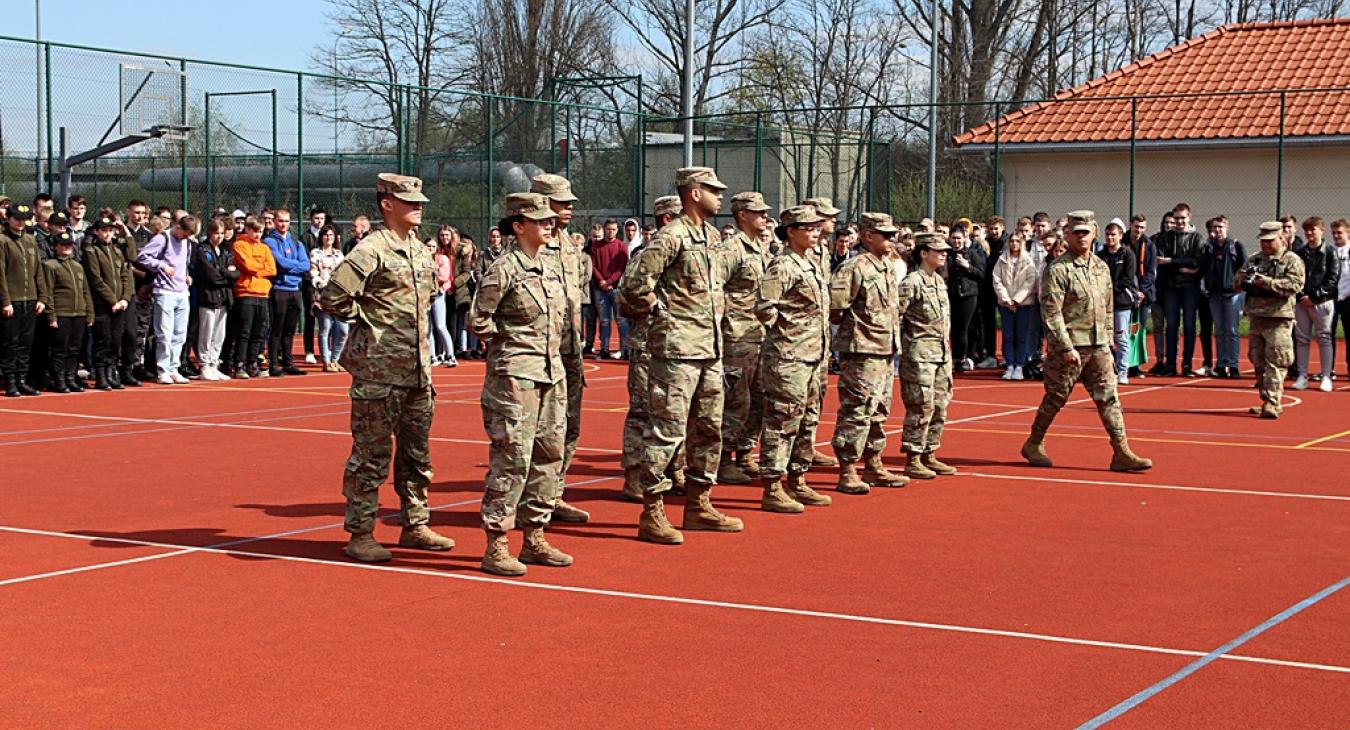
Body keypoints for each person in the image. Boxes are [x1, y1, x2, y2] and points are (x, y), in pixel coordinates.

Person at [319, 173, 454, 563]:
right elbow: (333, 297)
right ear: (387, 204)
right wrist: (369, 319)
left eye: (420, 202)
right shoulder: (371, 249)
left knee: (417, 456)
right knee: (371, 455)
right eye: (410, 202)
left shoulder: (420, 252)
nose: (419, 208)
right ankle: (361, 533)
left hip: (416, 371)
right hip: (378, 371)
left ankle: (416, 524)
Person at [621, 166, 743, 544]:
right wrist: (663, 314)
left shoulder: (709, 237)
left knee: (708, 429)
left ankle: (698, 504)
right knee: (666, 432)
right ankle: (652, 511)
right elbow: (634, 285)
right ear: (693, 192)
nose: (720, 195)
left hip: (709, 350)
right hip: (676, 352)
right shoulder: (670, 236)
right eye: (712, 189)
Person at [470, 193, 573, 576]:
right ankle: (496, 544)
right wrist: (511, 345)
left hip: (551, 374)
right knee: (513, 457)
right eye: (541, 220)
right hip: (516, 378)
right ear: (518, 226)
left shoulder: (548, 266)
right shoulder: (504, 269)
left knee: (549, 455)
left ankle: (535, 537)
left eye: (551, 220)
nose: (550, 225)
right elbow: (479, 320)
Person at [1021, 211, 1151, 472]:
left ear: (1094, 232)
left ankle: (1121, 451)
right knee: (1056, 397)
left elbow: (1108, 306)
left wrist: (1110, 339)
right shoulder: (1058, 269)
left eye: (1086, 232)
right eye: (1076, 232)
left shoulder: (1101, 268)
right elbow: (1051, 312)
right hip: (1070, 347)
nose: (1081, 237)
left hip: (1099, 345)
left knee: (1109, 398)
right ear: (1067, 235)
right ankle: (1034, 443)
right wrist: (1065, 346)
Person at [754, 205, 834, 512]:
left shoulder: (809, 263)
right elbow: (764, 307)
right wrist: (787, 332)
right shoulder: (783, 265)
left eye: (817, 227)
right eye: (808, 227)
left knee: (808, 419)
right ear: (791, 231)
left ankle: (798, 479)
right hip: (789, 358)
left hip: (813, 356)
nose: (815, 231)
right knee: (782, 420)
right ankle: (773, 485)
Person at [829, 212, 909, 494]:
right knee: (857, 410)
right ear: (867, 236)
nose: (891, 239)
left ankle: (873, 463)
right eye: (885, 235)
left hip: (885, 350)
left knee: (879, 410)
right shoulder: (853, 268)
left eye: (892, 234)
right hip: (861, 351)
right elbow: (835, 310)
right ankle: (848, 468)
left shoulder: (887, 267)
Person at [530, 173, 591, 523]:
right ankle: (532, 499)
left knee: (570, 425)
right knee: (538, 432)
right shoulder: (531, 243)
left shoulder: (569, 244)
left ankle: (554, 493)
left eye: (569, 203)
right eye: (560, 201)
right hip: (541, 353)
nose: (568, 208)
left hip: (570, 349)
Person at [618, 195, 683, 502]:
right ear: (667, 220)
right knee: (643, 410)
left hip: (677, 345)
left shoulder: (685, 251)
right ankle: (633, 474)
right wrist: (656, 308)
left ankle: (674, 470)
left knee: (676, 412)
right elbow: (625, 296)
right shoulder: (649, 254)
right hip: (648, 344)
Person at [716, 191, 775, 486]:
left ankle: (744, 451)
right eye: (758, 212)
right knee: (735, 400)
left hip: (759, 335)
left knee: (759, 400)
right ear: (742, 215)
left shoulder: (761, 249)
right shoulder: (731, 249)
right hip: (736, 337)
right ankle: (723, 459)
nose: (765, 217)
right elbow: (714, 287)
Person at [896, 232, 955, 479]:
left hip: (940, 353)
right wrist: (901, 348)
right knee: (921, 405)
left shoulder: (938, 281)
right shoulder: (912, 283)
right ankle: (913, 456)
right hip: (919, 354)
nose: (943, 254)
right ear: (923, 253)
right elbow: (896, 316)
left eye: (945, 251)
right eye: (938, 250)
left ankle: (930, 451)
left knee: (941, 405)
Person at [1237, 222, 1305, 418]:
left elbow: (1295, 285)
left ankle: (1273, 403)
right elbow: (1237, 284)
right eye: (1263, 241)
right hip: (1257, 316)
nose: (1265, 245)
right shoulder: (1254, 259)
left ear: (1280, 238)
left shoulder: (1291, 260)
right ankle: (1266, 398)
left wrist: (1266, 282)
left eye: (1270, 241)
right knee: (1258, 361)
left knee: (1276, 360)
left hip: (1278, 317)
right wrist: (1242, 278)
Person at [799, 197, 842, 467]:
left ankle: (807, 445)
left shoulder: (823, 249)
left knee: (816, 396)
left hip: (818, 334)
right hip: (798, 338)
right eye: (828, 215)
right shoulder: (797, 252)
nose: (833, 220)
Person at [137, 215, 199, 385]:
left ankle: (174, 368)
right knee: (164, 333)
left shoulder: (186, 242)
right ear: (177, 227)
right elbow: (143, 257)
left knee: (179, 334)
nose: (185, 238)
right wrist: (162, 266)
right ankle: (163, 369)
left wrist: (187, 276)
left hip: (182, 291)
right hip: (164, 291)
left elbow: (183, 263)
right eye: (184, 234)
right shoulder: (162, 238)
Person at [82, 216, 134, 391]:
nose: (107, 233)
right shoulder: (92, 251)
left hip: (119, 304)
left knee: (116, 340)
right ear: (97, 232)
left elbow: (126, 275)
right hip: (103, 304)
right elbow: (96, 280)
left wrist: (125, 298)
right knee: (102, 339)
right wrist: (112, 300)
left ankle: (112, 372)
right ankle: (101, 375)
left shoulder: (117, 251)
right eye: (104, 230)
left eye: (110, 230)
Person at [37, 232, 91, 393]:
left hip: (79, 313)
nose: (66, 248)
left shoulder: (77, 266)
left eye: (69, 245)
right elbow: (48, 291)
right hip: (62, 313)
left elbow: (85, 291)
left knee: (74, 348)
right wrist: (51, 315)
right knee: (60, 349)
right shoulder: (50, 265)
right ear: (56, 247)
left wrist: (89, 312)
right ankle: (59, 379)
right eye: (62, 245)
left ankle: (70, 377)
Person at [0, 203, 45, 397]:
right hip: (13, 299)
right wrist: (5, 301)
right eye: (17, 218)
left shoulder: (30, 240)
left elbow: (38, 270)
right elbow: (0, 273)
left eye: (24, 219)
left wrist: (42, 296)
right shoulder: (3, 241)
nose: (20, 222)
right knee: (11, 341)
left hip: (30, 297)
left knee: (26, 342)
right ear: (8, 219)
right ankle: (10, 380)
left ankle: (21, 379)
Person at [1291, 216, 1340, 392]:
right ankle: (1302, 375)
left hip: (1323, 302)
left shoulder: (1330, 252)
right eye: (1307, 231)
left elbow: (1332, 279)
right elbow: (1296, 277)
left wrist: (1316, 296)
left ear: (1321, 230)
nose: (1310, 233)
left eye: (1313, 229)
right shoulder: (1300, 253)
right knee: (1302, 339)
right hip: (1302, 303)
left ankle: (1326, 376)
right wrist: (1302, 296)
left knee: (1324, 338)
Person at [1157, 204, 1206, 376]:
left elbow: (1197, 262)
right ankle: (1170, 365)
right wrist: (1179, 263)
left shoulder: (1197, 238)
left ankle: (1187, 365)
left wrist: (1171, 261)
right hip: (1171, 287)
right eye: (1177, 218)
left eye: (1182, 218)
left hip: (1190, 288)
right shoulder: (1166, 237)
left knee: (1189, 325)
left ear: (1189, 217)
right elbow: (1160, 260)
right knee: (1171, 326)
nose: (1179, 222)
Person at [263, 209, 311, 377]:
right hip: (279, 289)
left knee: (290, 329)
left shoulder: (297, 242)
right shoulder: (269, 241)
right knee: (277, 328)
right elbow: (280, 263)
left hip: (294, 290)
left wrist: (292, 267)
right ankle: (274, 363)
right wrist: (294, 266)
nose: (284, 225)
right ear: (275, 222)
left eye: (287, 221)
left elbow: (306, 265)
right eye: (281, 221)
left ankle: (288, 363)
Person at [230, 216, 276, 379]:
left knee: (259, 332)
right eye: (255, 231)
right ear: (248, 230)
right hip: (246, 293)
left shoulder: (264, 248)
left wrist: (257, 270)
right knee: (244, 331)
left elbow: (272, 269)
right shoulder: (239, 245)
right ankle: (240, 363)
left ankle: (252, 363)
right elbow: (246, 265)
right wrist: (260, 269)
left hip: (263, 293)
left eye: (260, 232)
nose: (257, 235)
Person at [1201, 216, 1246, 379]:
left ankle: (1233, 365)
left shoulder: (1236, 246)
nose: (1218, 230)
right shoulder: (1209, 248)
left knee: (1232, 330)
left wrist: (1237, 284)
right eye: (1215, 227)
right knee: (1219, 330)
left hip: (1232, 294)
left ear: (1227, 227)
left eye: (1220, 227)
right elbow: (1203, 267)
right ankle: (1221, 364)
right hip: (1214, 294)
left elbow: (1244, 267)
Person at [1096, 218, 1140, 385]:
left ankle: (1122, 370)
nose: (1110, 238)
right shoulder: (1100, 255)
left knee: (1121, 338)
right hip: (1102, 304)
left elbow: (1127, 280)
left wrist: (1110, 290)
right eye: (1107, 235)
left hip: (1121, 303)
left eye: (1113, 235)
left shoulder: (1128, 255)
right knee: (1103, 339)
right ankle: (1106, 370)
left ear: (1120, 235)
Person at [193, 218, 238, 381]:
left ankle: (213, 363)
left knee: (219, 334)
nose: (219, 236)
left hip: (223, 298)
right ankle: (204, 364)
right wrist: (225, 273)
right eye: (216, 233)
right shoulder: (203, 250)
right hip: (208, 298)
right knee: (206, 333)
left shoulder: (225, 251)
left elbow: (235, 273)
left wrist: (224, 273)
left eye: (221, 233)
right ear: (209, 233)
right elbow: (211, 275)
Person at [992, 232, 1038, 380]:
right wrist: (1007, 300)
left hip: (1023, 305)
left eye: (1017, 241)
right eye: (1012, 241)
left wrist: (1017, 300)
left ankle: (1020, 365)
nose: (1014, 244)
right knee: (1008, 335)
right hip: (1006, 305)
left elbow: (1030, 281)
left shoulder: (1028, 261)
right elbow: (997, 280)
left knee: (1021, 335)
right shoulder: (1001, 260)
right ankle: (1010, 365)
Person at [946, 223, 986, 372]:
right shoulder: (946, 254)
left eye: (959, 238)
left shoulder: (972, 254)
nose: (956, 241)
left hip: (968, 295)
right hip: (951, 295)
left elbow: (981, 274)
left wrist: (967, 266)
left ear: (964, 238)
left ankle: (963, 357)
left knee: (963, 328)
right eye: (953, 238)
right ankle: (954, 357)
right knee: (953, 328)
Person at [309, 224, 348, 372]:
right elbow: (313, 272)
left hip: (338, 298)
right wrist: (321, 283)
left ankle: (335, 359)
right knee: (325, 328)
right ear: (321, 237)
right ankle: (326, 361)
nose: (328, 238)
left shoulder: (339, 254)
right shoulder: (316, 253)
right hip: (322, 296)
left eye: (331, 235)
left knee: (343, 330)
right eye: (326, 235)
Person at [299, 207, 329, 365]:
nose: (319, 221)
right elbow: (305, 261)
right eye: (316, 218)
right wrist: (313, 276)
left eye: (322, 219)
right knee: (310, 317)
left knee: (329, 317)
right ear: (311, 219)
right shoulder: (304, 237)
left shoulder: (329, 235)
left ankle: (327, 350)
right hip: (310, 283)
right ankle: (309, 351)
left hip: (326, 284)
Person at [428, 226, 456, 368]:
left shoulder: (442, 258)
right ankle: (432, 356)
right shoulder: (422, 259)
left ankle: (450, 354)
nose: (430, 248)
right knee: (428, 327)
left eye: (433, 246)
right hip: (425, 296)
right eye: (428, 246)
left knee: (440, 325)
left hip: (438, 294)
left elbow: (443, 276)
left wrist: (431, 275)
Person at [452, 234, 479, 359]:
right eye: (463, 246)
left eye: (468, 246)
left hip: (476, 294)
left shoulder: (477, 259)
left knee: (474, 322)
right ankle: (463, 349)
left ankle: (474, 348)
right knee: (463, 323)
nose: (466, 249)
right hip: (464, 294)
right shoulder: (460, 259)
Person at [1331, 219, 1350, 378]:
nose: (1336, 236)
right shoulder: (1330, 251)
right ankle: (1328, 369)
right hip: (1331, 299)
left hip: (1347, 298)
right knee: (1327, 334)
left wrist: (1343, 294)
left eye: (1340, 233)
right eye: (1334, 233)